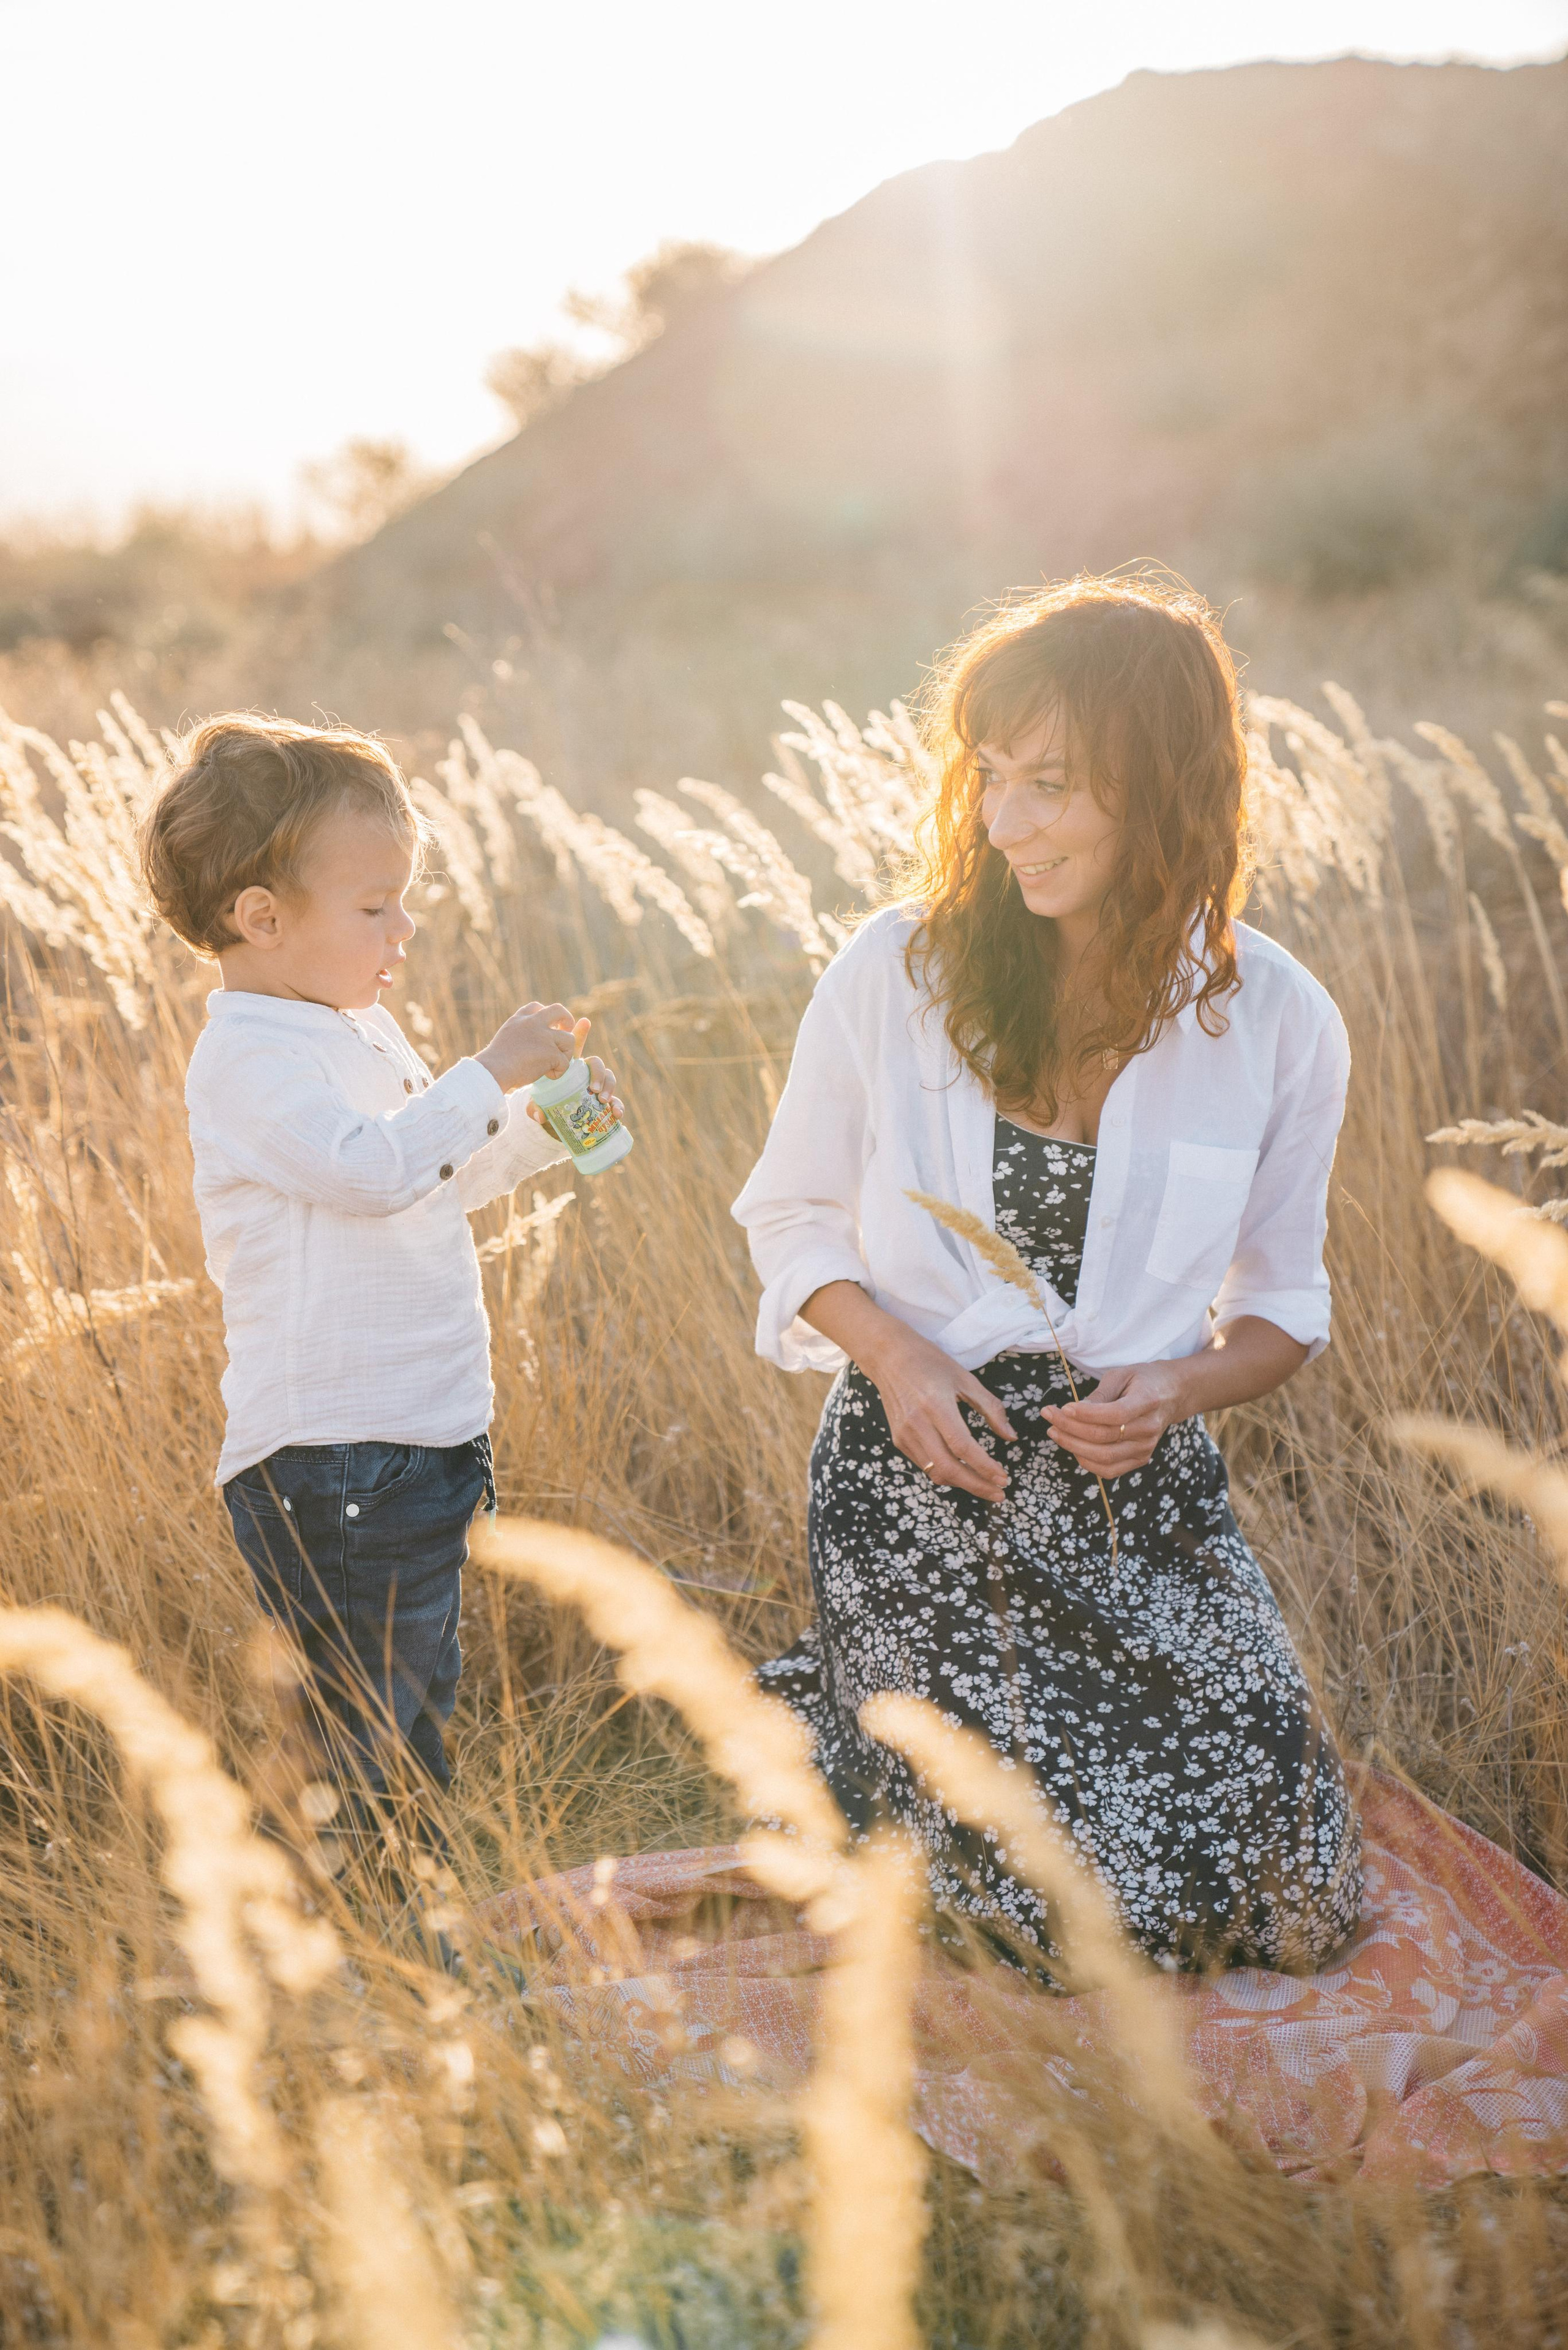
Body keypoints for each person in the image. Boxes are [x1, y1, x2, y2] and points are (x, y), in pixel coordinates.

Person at [733, 577, 1362, 1973]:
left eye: (1052, 783)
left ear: (1163, 787)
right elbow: (788, 1216)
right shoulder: (893, 968)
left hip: (1139, 1496)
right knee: (1053, 1928)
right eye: (991, 776)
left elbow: (1283, 1307)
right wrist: (897, 1360)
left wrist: (1175, 1387)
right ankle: (860, 1719)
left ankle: (837, 1727)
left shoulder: (1278, 1019)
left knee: (1291, 1902)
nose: (1004, 820)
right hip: (924, 1477)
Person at [138, 714, 622, 1850]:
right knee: (357, 1734)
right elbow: (371, 1170)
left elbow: (429, 1176)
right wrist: (484, 1069)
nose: (405, 927)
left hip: (421, 1436)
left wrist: (541, 1122)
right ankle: (356, 1938)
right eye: (375, 906)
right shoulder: (252, 1057)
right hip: (334, 1455)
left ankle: (408, 1931)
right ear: (261, 918)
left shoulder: (355, 1030)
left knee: (409, 1707)